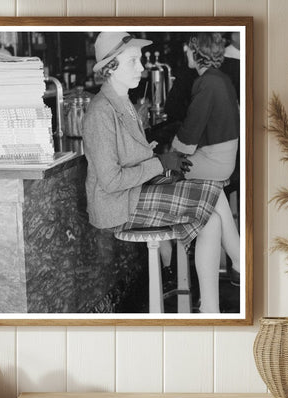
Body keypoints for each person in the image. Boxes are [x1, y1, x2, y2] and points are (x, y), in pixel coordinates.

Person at [82, 31, 231, 313]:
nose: (141, 68)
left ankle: (209, 308)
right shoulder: (100, 113)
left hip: (135, 193)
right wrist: (161, 163)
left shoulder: (123, 102)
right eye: (133, 62)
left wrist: (161, 153)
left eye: (139, 60)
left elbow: (132, 155)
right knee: (212, 197)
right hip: (119, 205)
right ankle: (228, 281)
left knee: (211, 211)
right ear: (110, 67)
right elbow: (111, 181)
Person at [167, 32, 241, 289]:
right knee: (215, 195)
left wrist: (169, 151)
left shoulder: (206, 83)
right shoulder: (220, 79)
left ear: (196, 52)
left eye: (188, 49)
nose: (186, 52)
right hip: (224, 156)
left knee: (165, 175)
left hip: (213, 159)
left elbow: (191, 130)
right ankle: (240, 261)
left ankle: (169, 268)